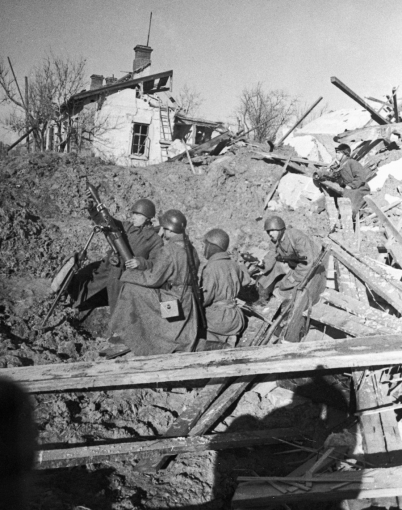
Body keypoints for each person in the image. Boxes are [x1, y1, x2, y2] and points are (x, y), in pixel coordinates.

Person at [103, 209, 200, 357]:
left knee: (131, 289)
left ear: (170, 230)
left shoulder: (169, 250)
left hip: (173, 301)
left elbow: (153, 279)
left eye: (164, 228)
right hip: (188, 300)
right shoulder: (191, 249)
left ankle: (126, 332)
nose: (162, 231)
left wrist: (128, 275)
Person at [60, 198, 163, 314]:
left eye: (138, 214)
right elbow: (107, 222)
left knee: (119, 307)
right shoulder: (127, 227)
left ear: (148, 218)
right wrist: (93, 210)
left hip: (125, 276)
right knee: (84, 279)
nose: (133, 216)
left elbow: (156, 264)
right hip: (108, 267)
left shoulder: (155, 240)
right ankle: (69, 301)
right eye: (133, 213)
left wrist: (140, 262)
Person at [255, 215, 324, 303]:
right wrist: (261, 264)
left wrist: (293, 278)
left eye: (272, 230)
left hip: (309, 267)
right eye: (268, 231)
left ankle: (282, 302)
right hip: (294, 263)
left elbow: (307, 262)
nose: (270, 234)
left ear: (280, 229)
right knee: (269, 274)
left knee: (283, 287)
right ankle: (262, 298)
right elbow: (271, 255)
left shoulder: (297, 237)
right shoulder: (275, 240)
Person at [199, 228, 248, 350]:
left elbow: (205, 299)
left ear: (212, 246)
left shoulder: (210, 268)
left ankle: (220, 344)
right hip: (236, 318)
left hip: (219, 321)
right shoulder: (234, 264)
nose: (202, 249)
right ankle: (230, 338)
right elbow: (245, 281)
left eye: (204, 245)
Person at [314, 143, 370, 219]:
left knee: (350, 208)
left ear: (345, 154)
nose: (336, 155)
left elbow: (361, 177)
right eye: (336, 153)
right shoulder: (340, 166)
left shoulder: (352, 162)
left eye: (339, 153)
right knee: (332, 193)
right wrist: (321, 174)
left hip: (360, 189)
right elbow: (334, 177)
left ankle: (353, 216)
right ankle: (315, 208)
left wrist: (351, 186)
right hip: (348, 190)